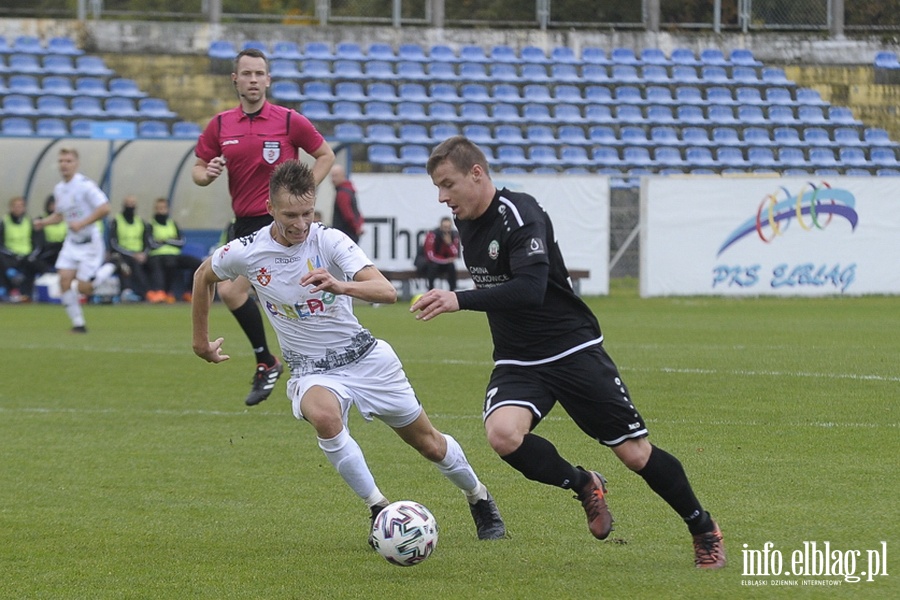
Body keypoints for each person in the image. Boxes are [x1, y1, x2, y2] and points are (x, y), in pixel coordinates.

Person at [412, 136, 726, 569]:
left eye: (447, 184)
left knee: (635, 454)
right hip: (518, 358)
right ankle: (584, 484)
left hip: (571, 349)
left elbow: (530, 288)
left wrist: (458, 300)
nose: (443, 197)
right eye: (437, 188)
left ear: (477, 174)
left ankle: (703, 527)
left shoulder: (521, 214)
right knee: (503, 434)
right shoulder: (465, 221)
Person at [191, 160, 506, 546]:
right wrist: (200, 341)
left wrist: (340, 286)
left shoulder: (329, 240)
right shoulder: (248, 251)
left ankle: (479, 496)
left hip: (365, 358)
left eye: (307, 213)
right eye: (290, 214)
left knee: (429, 444)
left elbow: (386, 291)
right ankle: (379, 511)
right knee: (323, 416)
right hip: (310, 370)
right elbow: (203, 275)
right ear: (270, 208)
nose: (300, 224)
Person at [192, 47, 335, 406]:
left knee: (235, 292)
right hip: (242, 224)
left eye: (259, 73)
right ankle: (272, 361)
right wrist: (205, 174)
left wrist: (302, 197)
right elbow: (198, 167)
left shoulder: (288, 121)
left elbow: (325, 155)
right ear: (235, 79)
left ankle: (273, 361)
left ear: (268, 79)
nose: (253, 80)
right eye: (247, 73)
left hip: (277, 223)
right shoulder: (221, 125)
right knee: (242, 292)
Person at [33, 148, 116, 333]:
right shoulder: (59, 189)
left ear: (76, 164)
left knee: (84, 288)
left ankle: (110, 268)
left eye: (68, 161)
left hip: (90, 242)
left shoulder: (85, 185)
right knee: (64, 280)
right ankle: (78, 324)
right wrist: (43, 223)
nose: (64, 164)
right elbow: (60, 215)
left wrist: (82, 223)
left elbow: (105, 208)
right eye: (61, 161)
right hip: (72, 242)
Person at [146, 197, 203, 303]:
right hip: (157, 255)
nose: (161, 211)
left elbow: (181, 242)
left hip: (174, 255)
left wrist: (164, 241)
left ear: (167, 209)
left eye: (163, 208)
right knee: (167, 263)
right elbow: (152, 244)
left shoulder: (173, 224)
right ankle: (163, 292)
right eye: (159, 208)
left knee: (197, 264)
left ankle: (189, 292)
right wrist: (171, 240)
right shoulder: (150, 225)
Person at [107, 194, 151, 302]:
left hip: (139, 256)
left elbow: (147, 242)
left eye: (133, 204)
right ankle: (127, 292)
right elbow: (113, 244)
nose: (130, 206)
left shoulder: (140, 222)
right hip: (123, 255)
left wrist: (143, 254)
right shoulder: (117, 221)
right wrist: (132, 255)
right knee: (126, 266)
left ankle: (151, 293)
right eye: (128, 204)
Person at [0, 196, 42, 302]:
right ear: (11, 208)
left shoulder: (29, 222)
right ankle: (6, 291)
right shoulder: (5, 222)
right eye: (15, 206)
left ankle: (28, 294)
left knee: (35, 264)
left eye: (20, 206)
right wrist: (12, 254)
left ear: (24, 208)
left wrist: (31, 255)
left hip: (26, 256)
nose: (18, 208)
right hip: (10, 256)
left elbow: (37, 243)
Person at [415, 216, 460, 291]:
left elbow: (454, 254)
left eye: (448, 227)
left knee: (451, 266)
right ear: (441, 227)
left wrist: (449, 244)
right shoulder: (433, 235)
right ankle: (430, 289)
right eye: (445, 227)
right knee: (433, 266)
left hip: (442, 263)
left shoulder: (454, 235)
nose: (447, 230)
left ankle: (453, 290)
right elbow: (430, 256)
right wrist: (445, 261)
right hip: (427, 263)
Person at [329, 163, 364, 243]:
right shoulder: (349, 190)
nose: (333, 179)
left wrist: (356, 227)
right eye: (332, 176)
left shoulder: (342, 193)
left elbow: (348, 214)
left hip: (345, 234)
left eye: (335, 176)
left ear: (343, 175)